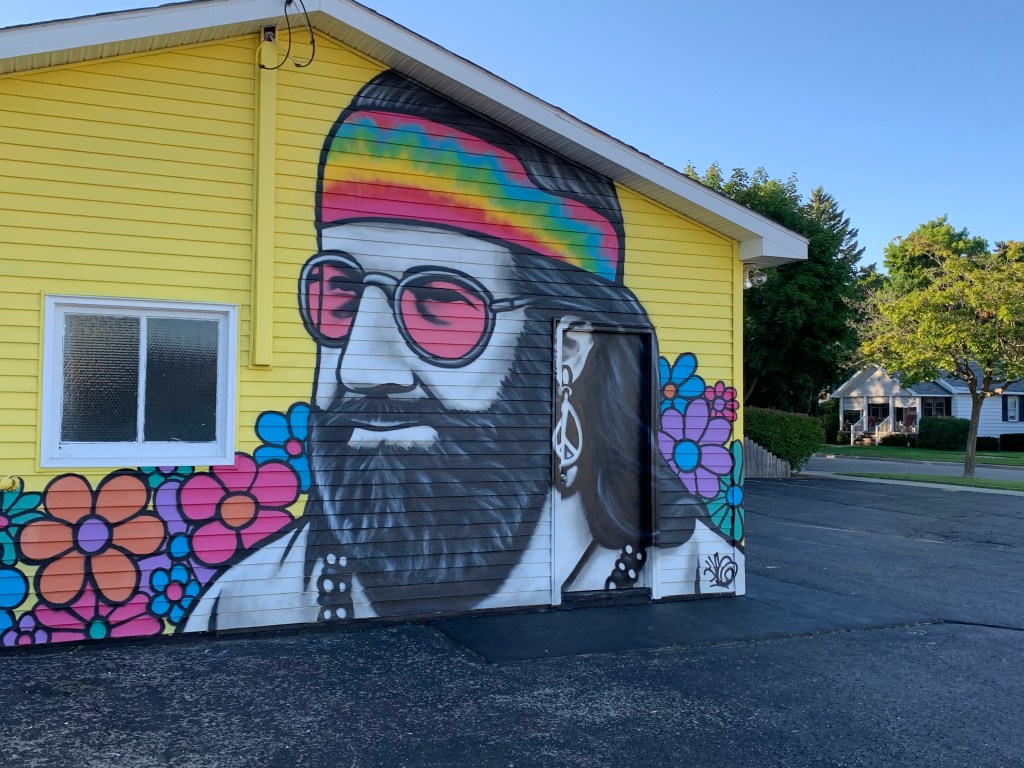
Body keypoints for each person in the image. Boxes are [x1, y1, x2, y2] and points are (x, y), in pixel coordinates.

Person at [184, 71, 726, 633]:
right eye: (340, 293)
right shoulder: (238, 602)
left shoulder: (692, 572)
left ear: (570, 350)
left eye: (439, 302)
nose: (360, 367)